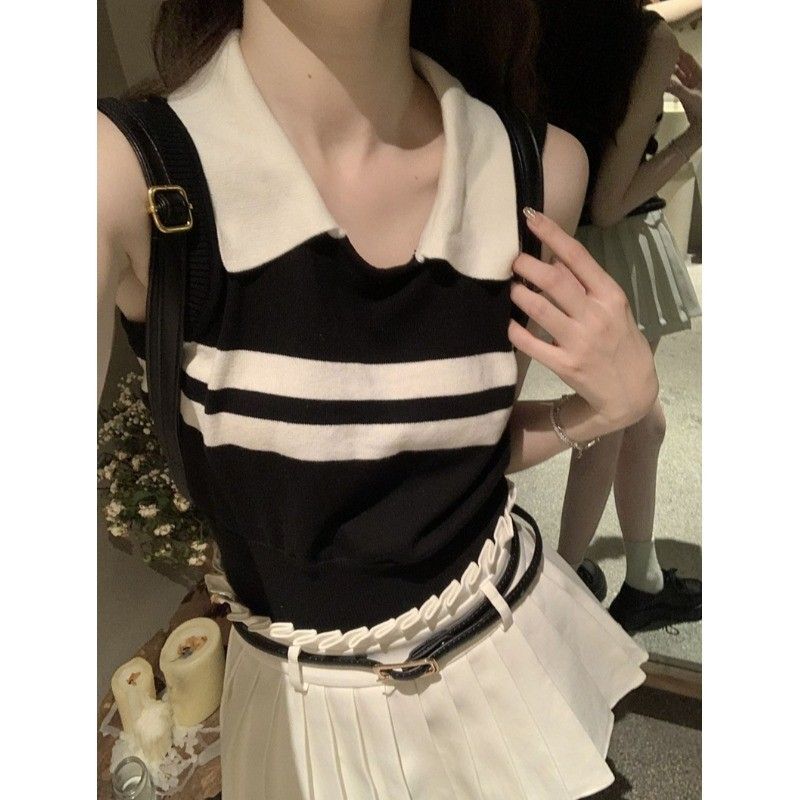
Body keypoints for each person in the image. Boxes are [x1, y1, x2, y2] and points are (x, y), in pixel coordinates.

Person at [98, 1, 657, 797]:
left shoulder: (538, 169)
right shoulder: (121, 173)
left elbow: (451, 452)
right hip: (303, 720)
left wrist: (603, 412)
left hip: (511, 661)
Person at [535, 0, 702, 632]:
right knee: (608, 424)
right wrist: (697, 133)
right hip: (620, 249)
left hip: (564, 241)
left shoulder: (545, 20)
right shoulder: (645, 37)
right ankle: (561, 591)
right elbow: (611, 200)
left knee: (644, 423)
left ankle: (642, 577)